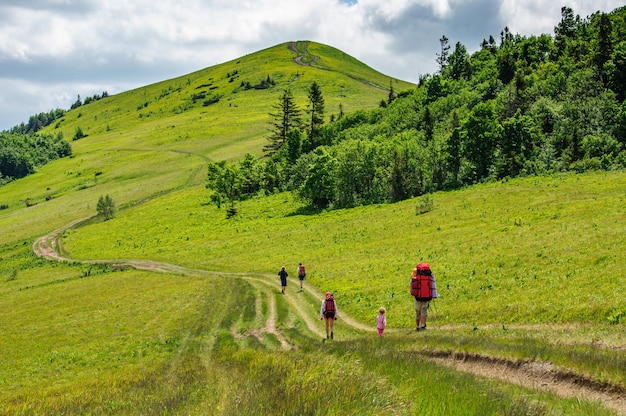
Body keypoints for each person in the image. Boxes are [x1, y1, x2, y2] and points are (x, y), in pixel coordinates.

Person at [410, 263, 436, 331]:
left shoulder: (414, 279)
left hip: (417, 298)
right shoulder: (428, 277)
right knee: (424, 311)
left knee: (417, 312)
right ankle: (423, 325)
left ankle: (417, 326)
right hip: (426, 297)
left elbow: (411, 291)